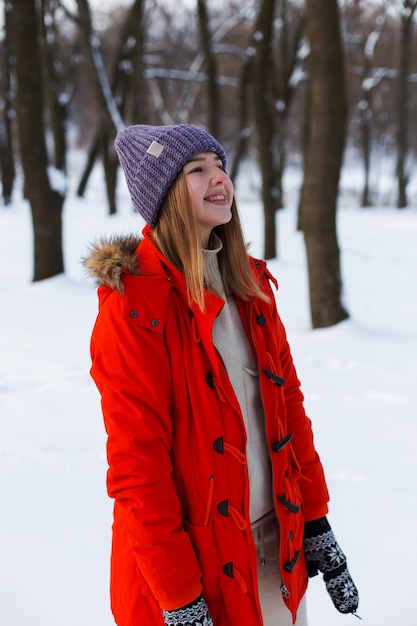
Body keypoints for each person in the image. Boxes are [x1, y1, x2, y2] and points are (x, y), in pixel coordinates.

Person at [84, 124, 359, 626]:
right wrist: (180, 598)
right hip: (195, 569)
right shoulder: (135, 309)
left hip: (278, 548)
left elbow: (287, 409)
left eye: (220, 165)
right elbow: (137, 468)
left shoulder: (251, 287)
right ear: (164, 196)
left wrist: (315, 518)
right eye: (196, 169)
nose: (219, 179)